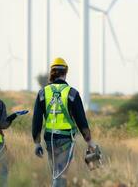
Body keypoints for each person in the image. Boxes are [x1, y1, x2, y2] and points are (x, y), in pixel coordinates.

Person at [32, 57, 96, 187]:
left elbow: (36, 120)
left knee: (57, 173)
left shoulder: (43, 93)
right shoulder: (72, 93)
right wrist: (89, 141)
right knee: (59, 175)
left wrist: (37, 143)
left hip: (49, 139)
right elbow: (81, 120)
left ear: (52, 73)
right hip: (66, 139)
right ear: (65, 72)